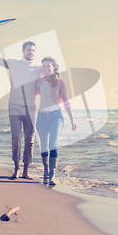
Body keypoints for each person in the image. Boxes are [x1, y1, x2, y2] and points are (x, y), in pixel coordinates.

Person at [0, 27, 42, 180]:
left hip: (31, 108)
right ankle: (16, 169)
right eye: (29, 49)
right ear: (23, 50)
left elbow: (51, 76)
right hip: (14, 106)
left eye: (33, 50)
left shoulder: (39, 68)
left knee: (30, 140)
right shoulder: (14, 63)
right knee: (16, 137)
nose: (31, 52)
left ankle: (25, 172)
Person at [35, 56, 77, 185]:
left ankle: (52, 174)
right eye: (44, 66)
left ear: (54, 67)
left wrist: (72, 120)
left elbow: (66, 102)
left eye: (48, 66)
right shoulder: (40, 81)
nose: (46, 68)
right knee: (43, 146)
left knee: (54, 143)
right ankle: (46, 171)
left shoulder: (60, 83)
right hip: (41, 117)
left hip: (56, 116)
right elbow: (30, 94)